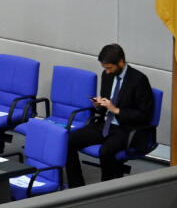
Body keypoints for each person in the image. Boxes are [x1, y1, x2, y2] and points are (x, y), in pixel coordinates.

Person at [65, 43, 154, 188]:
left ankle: (105, 190)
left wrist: (116, 110)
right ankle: (76, 187)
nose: (106, 72)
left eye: (109, 67)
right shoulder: (107, 76)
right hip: (105, 123)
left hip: (126, 128)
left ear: (120, 62)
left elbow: (145, 115)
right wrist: (98, 105)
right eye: (104, 68)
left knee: (106, 151)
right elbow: (104, 106)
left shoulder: (139, 80)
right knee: (69, 140)